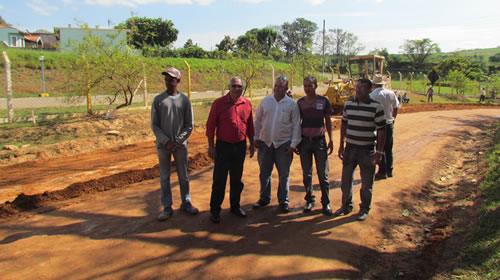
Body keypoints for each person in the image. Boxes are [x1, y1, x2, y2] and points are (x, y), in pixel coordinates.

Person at [151, 67, 199, 222]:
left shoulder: (184, 100)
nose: (168, 81)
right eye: (166, 78)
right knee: (165, 177)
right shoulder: (158, 100)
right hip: (163, 146)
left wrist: (177, 141)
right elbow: (154, 125)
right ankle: (167, 206)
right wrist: (166, 141)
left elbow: (189, 125)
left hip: (180, 146)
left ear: (178, 81)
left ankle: (186, 202)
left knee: (183, 175)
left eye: (171, 79)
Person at [336, 78, 386, 221]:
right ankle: (346, 205)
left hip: (367, 150)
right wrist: (341, 144)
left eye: (361, 88)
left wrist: (379, 152)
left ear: (369, 90)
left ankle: (364, 208)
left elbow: (382, 130)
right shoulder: (349, 104)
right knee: (345, 180)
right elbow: (344, 124)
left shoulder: (376, 107)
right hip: (350, 148)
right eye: (357, 87)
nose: (357, 90)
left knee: (366, 183)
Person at [206, 76, 255, 224]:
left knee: (236, 180)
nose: (237, 89)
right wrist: (211, 146)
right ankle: (215, 210)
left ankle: (235, 206)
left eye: (239, 86)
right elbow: (210, 126)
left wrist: (251, 144)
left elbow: (250, 126)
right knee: (219, 180)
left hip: (239, 147)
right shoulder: (219, 104)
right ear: (229, 87)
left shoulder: (247, 104)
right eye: (234, 86)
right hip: (223, 147)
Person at [252, 76, 301, 213]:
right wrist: (256, 137)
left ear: (286, 89)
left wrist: (293, 144)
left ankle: (283, 201)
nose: (278, 88)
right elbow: (258, 121)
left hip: (283, 145)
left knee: (284, 174)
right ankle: (264, 198)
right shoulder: (265, 102)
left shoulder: (292, 104)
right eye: (276, 85)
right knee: (264, 173)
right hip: (266, 144)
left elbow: (297, 126)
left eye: (281, 86)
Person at [296, 76, 334, 215]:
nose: (307, 88)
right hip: (305, 142)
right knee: (307, 174)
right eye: (305, 86)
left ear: (315, 86)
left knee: (323, 174)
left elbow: (328, 121)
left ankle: (326, 202)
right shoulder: (300, 103)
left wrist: (331, 139)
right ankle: (309, 200)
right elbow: (296, 123)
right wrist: (296, 142)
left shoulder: (323, 101)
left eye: (310, 86)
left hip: (320, 142)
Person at [370, 74, 400, 180]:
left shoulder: (372, 95)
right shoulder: (391, 93)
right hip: (389, 123)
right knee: (388, 147)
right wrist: (393, 117)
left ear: (373, 84)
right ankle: (389, 170)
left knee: (380, 148)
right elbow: (396, 107)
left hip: (378, 125)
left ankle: (382, 171)